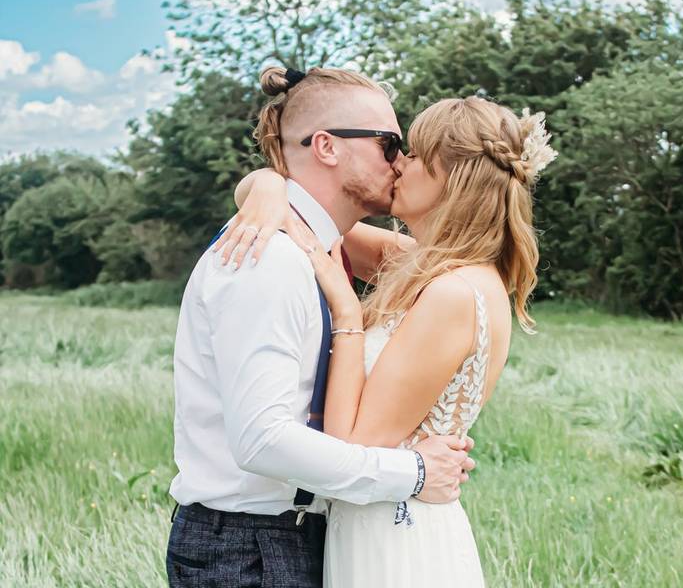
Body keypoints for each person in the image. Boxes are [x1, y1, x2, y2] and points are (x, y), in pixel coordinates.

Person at [217, 76, 557, 586]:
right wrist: (265, 185)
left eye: (414, 154)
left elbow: (352, 443)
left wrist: (348, 316)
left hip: (397, 539)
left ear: (452, 179)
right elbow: (308, 214)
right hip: (372, 521)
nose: (399, 163)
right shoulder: (420, 265)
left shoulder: (455, 293)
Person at [166, 67, 475, 588]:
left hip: (289, 537)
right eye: (388, 143)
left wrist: (263, 183)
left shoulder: (325, 242)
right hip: (250, 548)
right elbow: (262, 440)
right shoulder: (269, 255)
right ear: (328, 147)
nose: (400, 161)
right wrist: (414, 474)